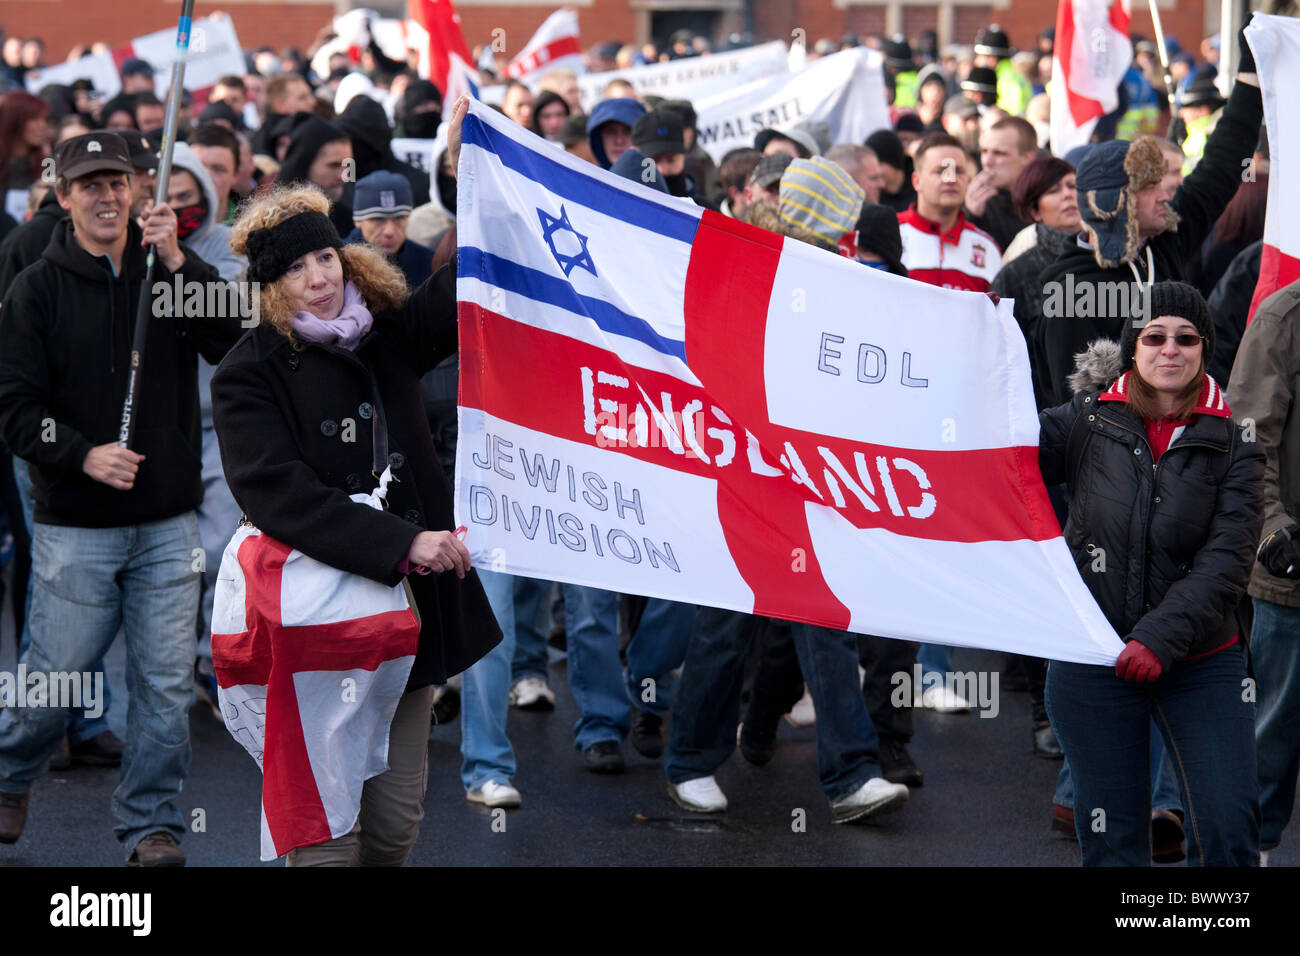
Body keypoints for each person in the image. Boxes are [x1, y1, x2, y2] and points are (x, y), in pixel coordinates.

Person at [210, 174, 501, 865]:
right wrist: (404, 543)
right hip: (314, 624)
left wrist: (468, 170)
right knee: (324, 834)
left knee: (395, 826)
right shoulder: (245, 372)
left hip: (411, 617)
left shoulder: (390, 329)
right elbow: (280, 494)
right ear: (270, 286)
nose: (316, 277)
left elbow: (473, 274)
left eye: (324, 258)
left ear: (345, 256)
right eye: (294, 268)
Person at [0, 132, 243, 864]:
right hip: (76, 524)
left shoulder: (165, 272)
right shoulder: (34, 287)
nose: (109, 195)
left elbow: (234, 337)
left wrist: (177, 260)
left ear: (140, 190)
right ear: (64, 196)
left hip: (167, 523)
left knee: (164, 688)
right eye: (92, 184)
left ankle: (151, 825)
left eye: (120, 182)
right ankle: (10, 773)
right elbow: (13, 406)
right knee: (60, 679)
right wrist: (81, 453)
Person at [1039, 281, 1263, 866]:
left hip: (1203, 663)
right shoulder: (1082, 422)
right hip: (1093, 659)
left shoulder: (1238, 443)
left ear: (1204, 349)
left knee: (1229, 827)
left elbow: (1227, 563)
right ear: (1133, 346)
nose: (1171, 349)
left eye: (1186, 338)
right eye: (1155, 336)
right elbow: (994, 452)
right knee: (1113, 843)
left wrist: (1157, 639)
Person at [1036, 23, 1263, 408]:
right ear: (1115, 202)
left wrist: (1250, 74)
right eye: (1149, 187)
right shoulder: (1069, 289)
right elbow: (1077, 414)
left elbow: (1222, 165)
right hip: (1110, 464)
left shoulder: (1166, 238)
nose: (1165, 194)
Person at [1227, 278, 1300, 867]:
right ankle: (1250, 851)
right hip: (1292, 577)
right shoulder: (1281, 319)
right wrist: (1272, 528)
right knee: (1273, 733)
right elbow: (1249, 438)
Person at [990, 156, 1079, 411]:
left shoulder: (1110, 262)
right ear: (1034, 210)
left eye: (1073, 186)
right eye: (1054, 190)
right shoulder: (1015, 274)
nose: (1067, 196)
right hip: (1040, 414)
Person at [897, 132, 1001, 292]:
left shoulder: (986, 247)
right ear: (917, 181)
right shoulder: (890, 233)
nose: (950, 179)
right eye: (940, 171)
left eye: (958, 171)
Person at [345, 170, 434, 288]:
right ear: (358, 221)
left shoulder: (429, 262)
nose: (389, 231)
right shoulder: (339, 262)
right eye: (378, 219)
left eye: (399, 218)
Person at [275, 114, 355, 238]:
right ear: (305, 164)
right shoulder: (276, 219)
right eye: (334, 165)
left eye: (347, 165)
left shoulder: (348, 219)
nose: (343, 176)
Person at [964, 116, 1037, 251]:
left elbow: (1067, 270)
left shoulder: (1047, 198)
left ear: (1027, 157)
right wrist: (971, 217)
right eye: (984, 151)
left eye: (999, 153)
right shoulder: (976, 202)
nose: (987, 161)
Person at [0, 91, 49, 192]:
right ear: (13, 121)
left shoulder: (48, 163)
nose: (43, 125)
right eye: (35, 119)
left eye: (43, 119)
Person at [586, 97, 644, 170]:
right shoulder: (584, 180)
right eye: (610, 131)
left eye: (628, 131)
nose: (619, 141)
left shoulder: (657, 178)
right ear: (598, 138)